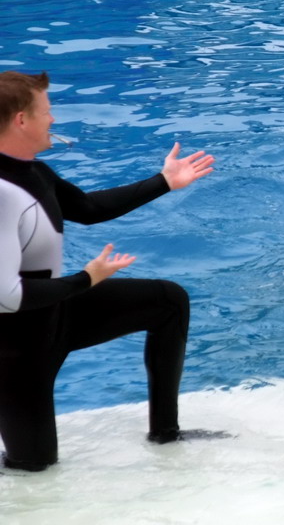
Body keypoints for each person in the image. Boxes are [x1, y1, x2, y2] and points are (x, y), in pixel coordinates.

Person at [0, 70, 215, 472]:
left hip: (57, 313)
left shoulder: (35, 172)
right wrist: (86, 279)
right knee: (33, 467)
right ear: (21, 120)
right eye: (46, 111)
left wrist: (164, 181)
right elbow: (7, 297)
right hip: (15, 347)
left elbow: (88, 209)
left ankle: (165, 433)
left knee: (168, 301)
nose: (54, 120)